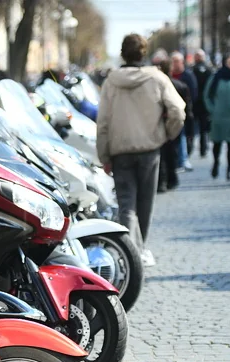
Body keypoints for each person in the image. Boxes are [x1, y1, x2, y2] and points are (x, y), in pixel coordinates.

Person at [96, 34, 185, 268]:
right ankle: (140, 250)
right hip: (149, 149)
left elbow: (103, 121)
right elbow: (178, 110)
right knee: (146, 202)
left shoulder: (111, 81)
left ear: (123, 53)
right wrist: (166, 134)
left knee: (127, 204)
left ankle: (128, 253)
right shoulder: (156, 78)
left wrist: (103, 154)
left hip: (120, 150)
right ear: (143, 53)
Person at [203, 54, 230, 181]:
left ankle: (229, 169)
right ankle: (216, 163)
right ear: (224, 63)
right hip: (218, 117)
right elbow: (207, 95)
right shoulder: (215, 78)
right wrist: (212, 109)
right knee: (217, 143)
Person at [156, 56, 190, 192]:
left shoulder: (158, 85)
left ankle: (163, 181)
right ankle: (172, 179)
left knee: (162, 154)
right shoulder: (179, 85)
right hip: (173, 123)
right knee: (172, 152)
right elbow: (185, 108)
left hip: (159, 122)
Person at [171, 52, 198, 171]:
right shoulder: (168, 76)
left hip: (184, 110)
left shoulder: (188, 75)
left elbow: (193, 93)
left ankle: (183, 159)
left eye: (177, 61)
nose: (175, 64)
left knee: (183, 134)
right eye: (173, 61)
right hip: (172, 111)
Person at [191, 49, 214, 158]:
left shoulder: (193, 70)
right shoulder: (209, 70)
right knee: (203, 128)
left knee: (200, 127)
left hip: (198, 103)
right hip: (203, 103)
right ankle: (203, 148)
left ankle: (201, 147)